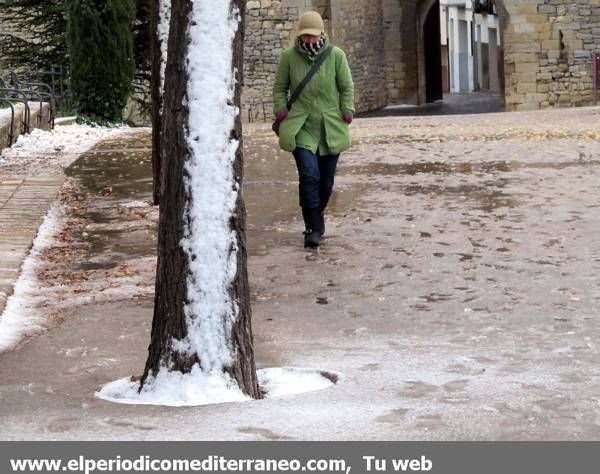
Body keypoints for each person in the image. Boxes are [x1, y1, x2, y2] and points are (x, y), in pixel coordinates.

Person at [272, 11, 355, 249]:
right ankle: (313, 228)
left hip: (330, 126)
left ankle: (315, 216)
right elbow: (279, 88)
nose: (308, 40)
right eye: (304, 36)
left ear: (321, 34)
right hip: (301, 125)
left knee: (325, 183)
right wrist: (281, 109)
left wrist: (347, 110)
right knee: (309, 175)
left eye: (312, 35)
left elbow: (346, 87)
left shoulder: (336, 56)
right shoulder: (289, 58)